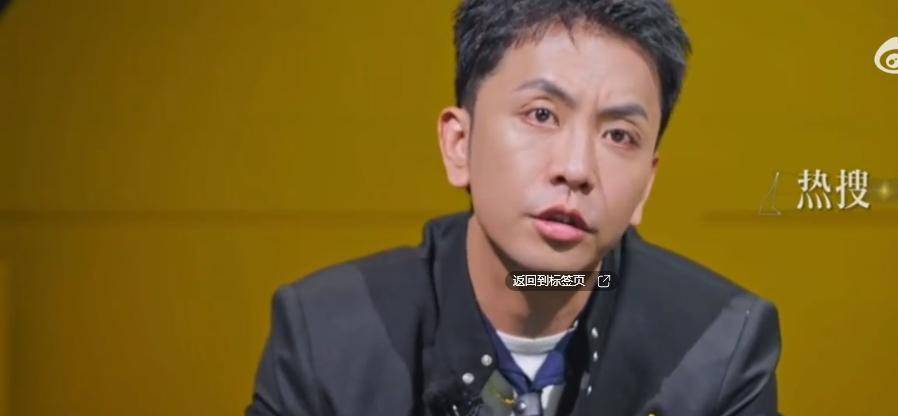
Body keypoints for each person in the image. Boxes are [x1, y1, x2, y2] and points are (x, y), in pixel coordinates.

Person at [246, 1, 781, 415]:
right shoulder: (329, 335)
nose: (576, 168)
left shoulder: (718, 345)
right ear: (459, 144)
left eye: (619, 134)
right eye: (541, 115)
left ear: (646, 185)